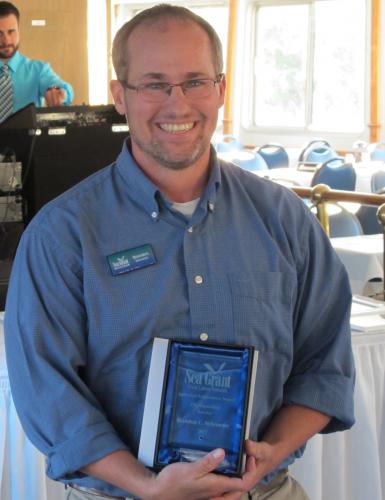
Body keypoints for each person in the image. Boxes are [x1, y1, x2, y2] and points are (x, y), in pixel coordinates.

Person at [4, 4, 355, 499]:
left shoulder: (285, 219)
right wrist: (146, 486)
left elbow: (326, 363)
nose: (178, 104)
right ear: (119, 96)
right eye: (154, 84)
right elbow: (48, 392)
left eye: (195, 81)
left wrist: (271, 453)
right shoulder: (61, 236)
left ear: (221, 90)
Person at [0, 1, 73, 122]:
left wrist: (59, 93)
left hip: (28, 140)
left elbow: (61, 87)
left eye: (11, 32)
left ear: (19, 31)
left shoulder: (39, 71)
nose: (6, 40)